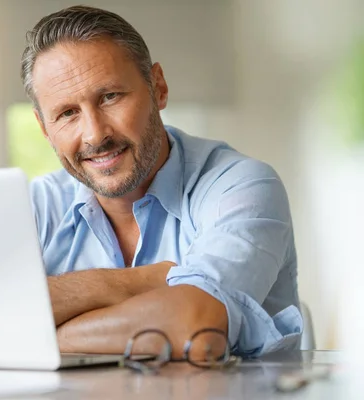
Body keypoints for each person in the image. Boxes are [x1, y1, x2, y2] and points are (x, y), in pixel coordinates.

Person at [20, 5, 302, 358]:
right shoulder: (34, 207)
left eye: (110, 97)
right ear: (45, 129)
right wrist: (135, 282)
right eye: (67, 113)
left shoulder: (241, 186)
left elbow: (195, 324)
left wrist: (41, 337)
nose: (94, 134)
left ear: (159, 87)